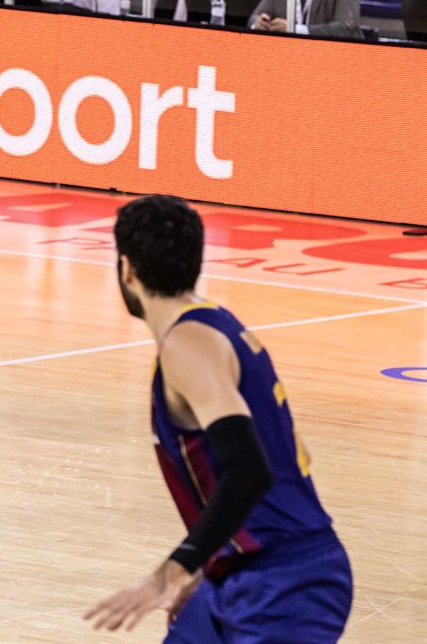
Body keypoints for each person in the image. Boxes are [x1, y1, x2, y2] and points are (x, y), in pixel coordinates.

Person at [86, 194, 352, 640]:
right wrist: (212, 558)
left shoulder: (186, 345)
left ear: (127, 269)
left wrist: (175, 569)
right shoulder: (214, 324)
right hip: (241, 571)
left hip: (285, 583)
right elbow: (291, 451)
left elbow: (250, 470)